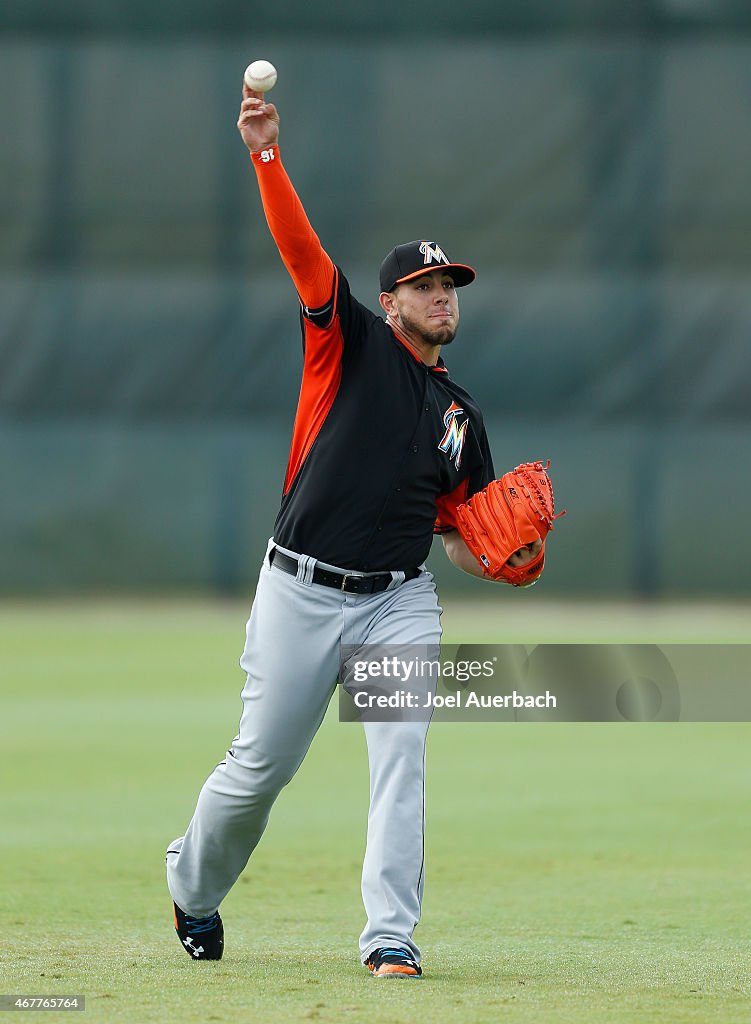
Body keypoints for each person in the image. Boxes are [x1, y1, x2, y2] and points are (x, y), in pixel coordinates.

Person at [166, 81, 541, 980]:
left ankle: (389, 937)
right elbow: (300, 247)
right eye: (424, 284)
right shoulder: (348, 342)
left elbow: (460, 529)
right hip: (299, 589)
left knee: (401, 755)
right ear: (390, 300)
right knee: (260, 769)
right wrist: (265, 153)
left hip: (396, 605)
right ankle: (193, 887)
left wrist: (496, 554)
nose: (442, 294)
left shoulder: (460, 415)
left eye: (449, 283)